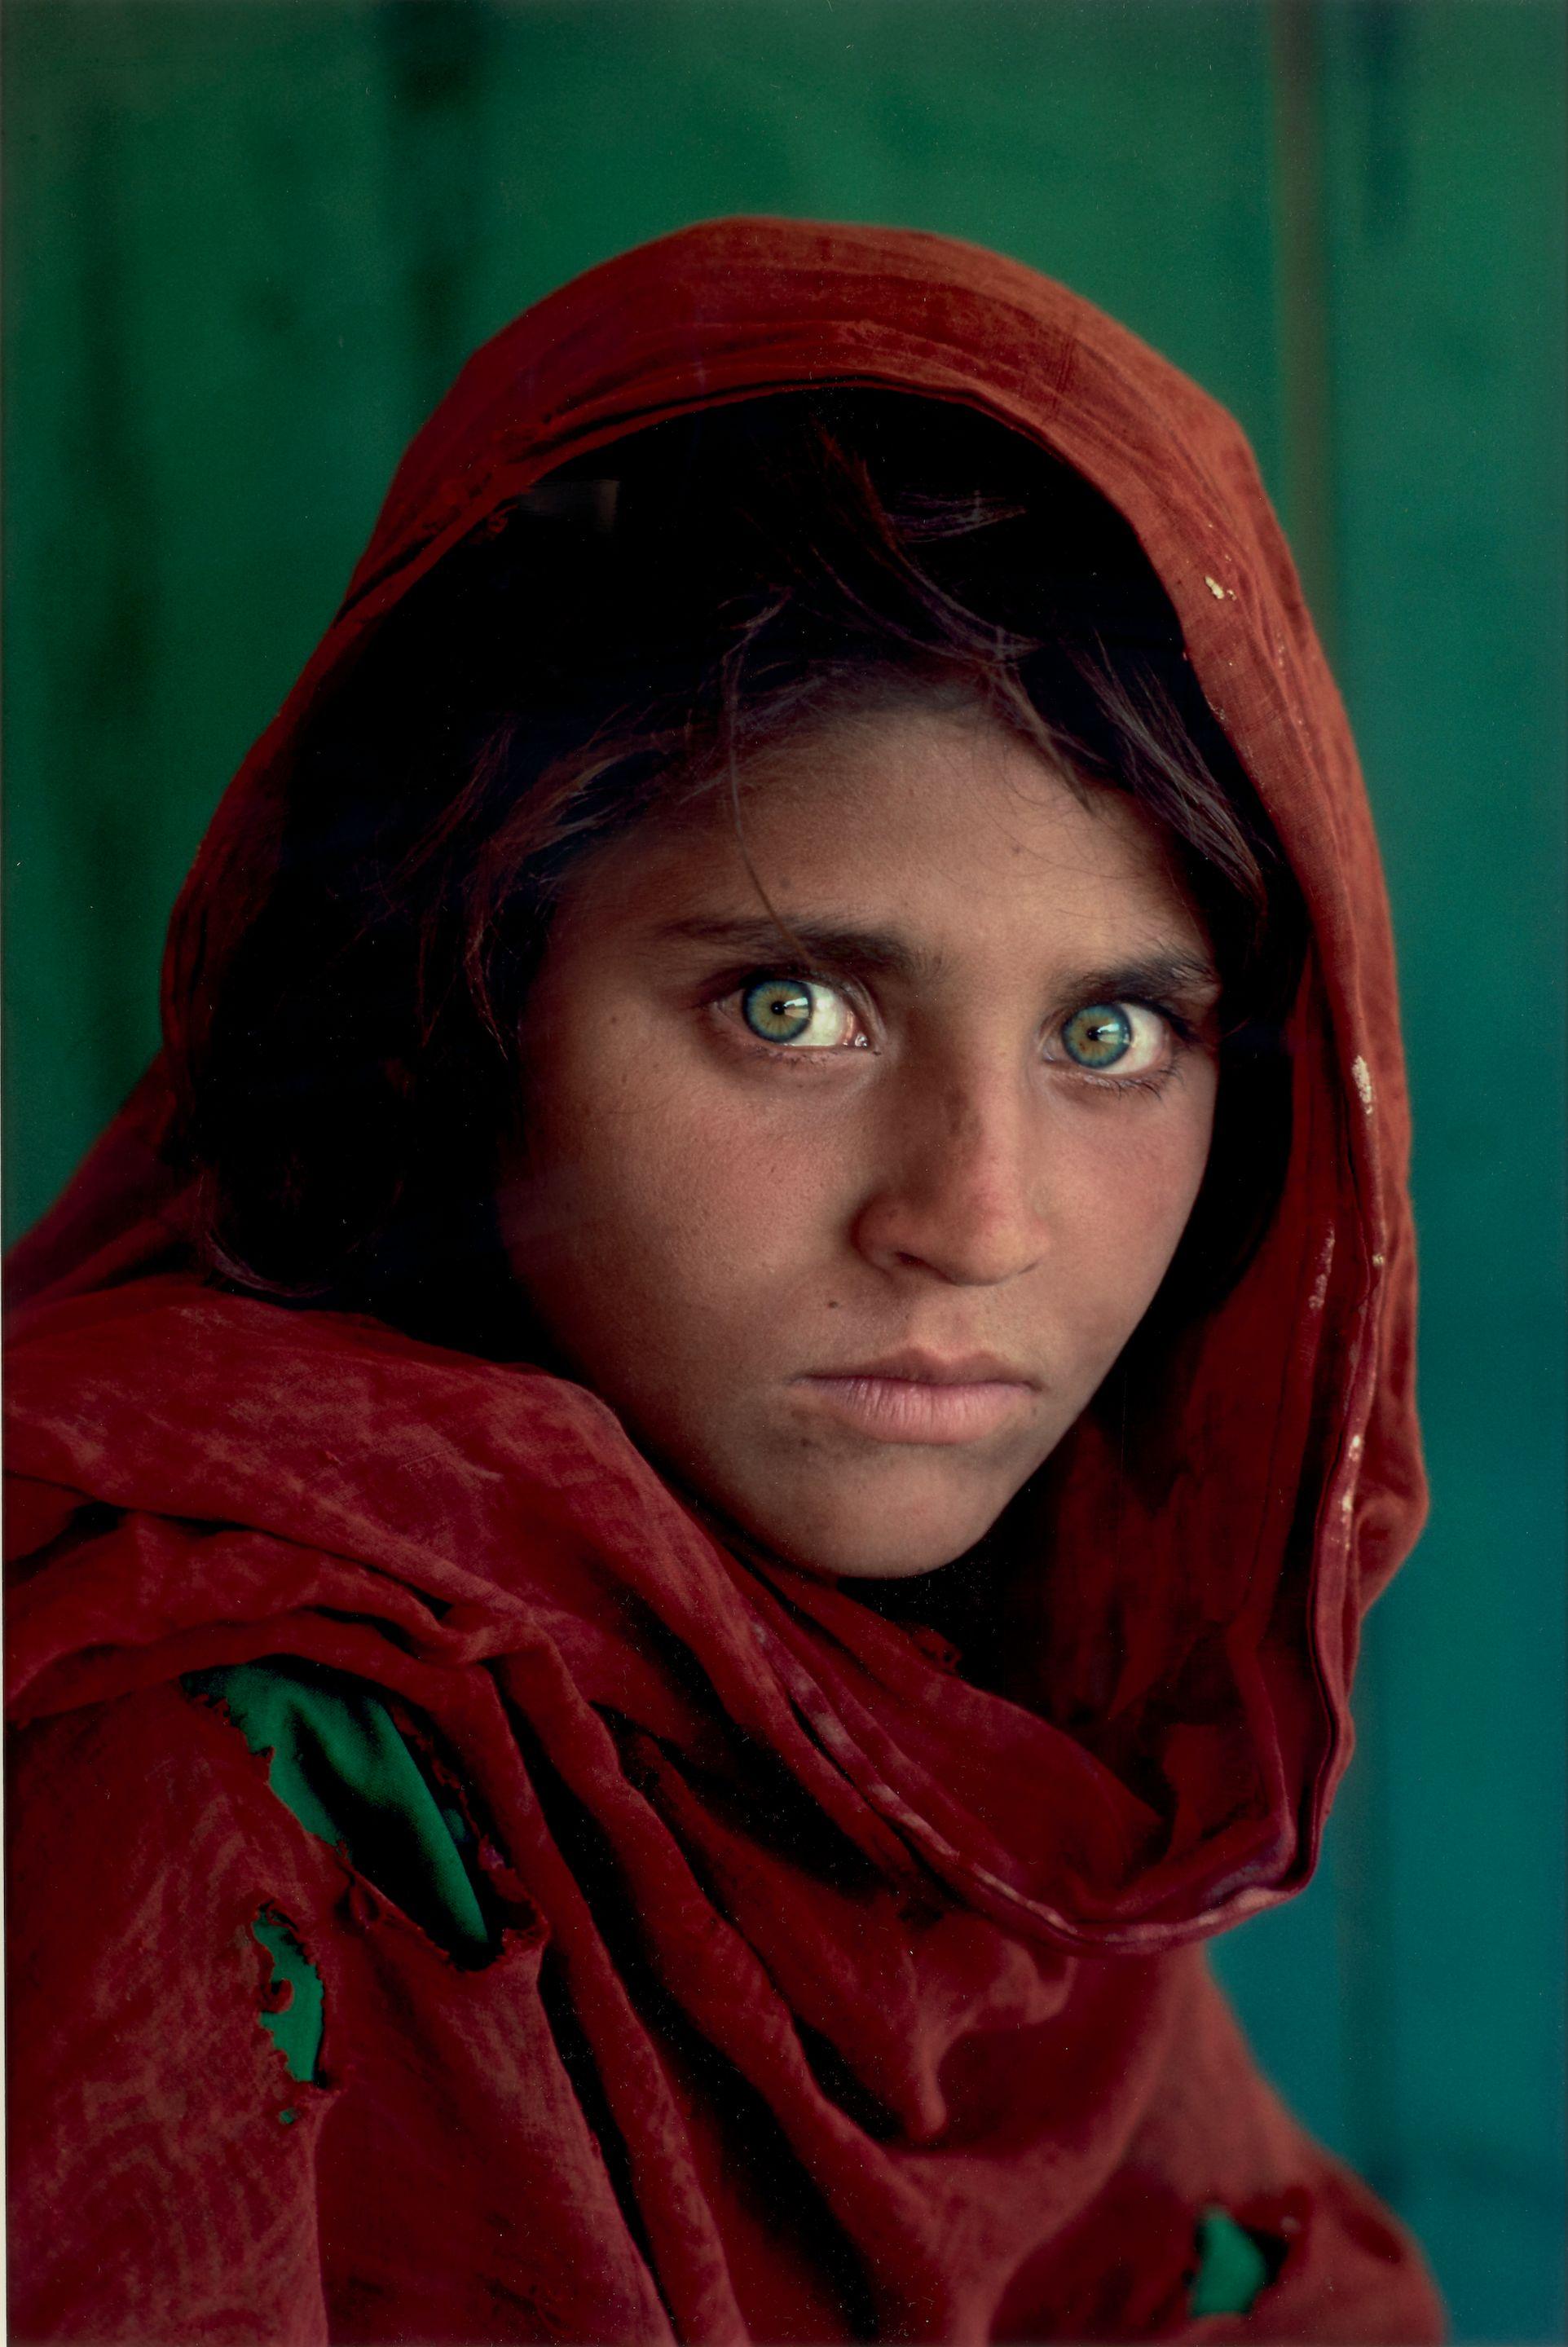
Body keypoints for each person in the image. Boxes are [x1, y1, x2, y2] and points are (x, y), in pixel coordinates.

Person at [5, 218, 1443, 2344]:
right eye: (790, 1008)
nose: (974, 1217)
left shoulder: (978, 1757)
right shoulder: (205, 1761)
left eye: (1113, 1035)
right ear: (468, 992)